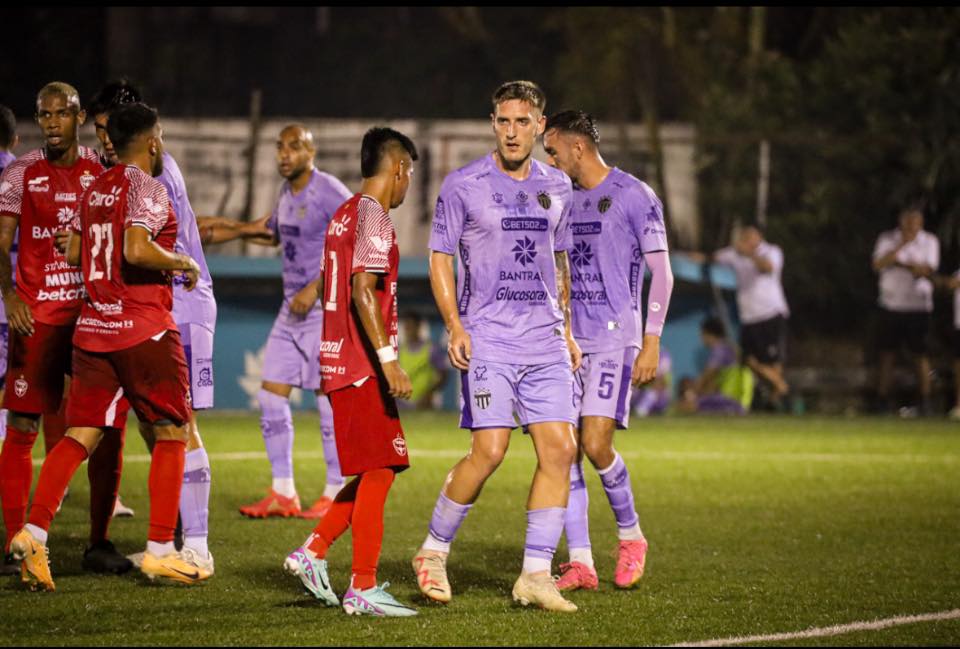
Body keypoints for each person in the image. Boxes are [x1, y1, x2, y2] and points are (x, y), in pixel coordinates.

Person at [10, 101, 209, 590]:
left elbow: (75, 249)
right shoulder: (147, 186)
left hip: (93, 330)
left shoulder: (94, 185)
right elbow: (138, 248)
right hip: (142, 329)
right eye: (159, 136)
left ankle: (33, 533)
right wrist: (181, 263)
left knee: (81, 434)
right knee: (172, 432)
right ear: (152, 141)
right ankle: (162, 548)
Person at [411, 81, 580, 612]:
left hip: (546, 341)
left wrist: (569, 330)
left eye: (522, 122)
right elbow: (440, 256)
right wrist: (455, 325)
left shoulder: (559, 186)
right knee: (490, 451)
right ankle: (433, 552)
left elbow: (560, 262)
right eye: (503, 121)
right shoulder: (464, 185)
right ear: (492, 123)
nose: (512, 131)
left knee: (561, 450)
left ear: (539, 127)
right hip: (489, 339)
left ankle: (534, 574)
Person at [87, 80, 267, 571]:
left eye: (107, 129)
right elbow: (192, 226)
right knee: (158, 428)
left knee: (179, 427)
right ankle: (170, 539)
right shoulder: (136, 173)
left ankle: (197, 547)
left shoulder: (151, 175)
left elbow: (147, 245)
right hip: (157, 310)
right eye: (98, 130)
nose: (102, 140)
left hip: (182, 306)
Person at [282, 127, 418, 617]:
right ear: (399, 169)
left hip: (338, 359)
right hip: (362, 364)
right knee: (381, 470)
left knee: (375, 469)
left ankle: (314, 550)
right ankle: (362, 586)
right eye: (409, 175)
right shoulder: (375, 216)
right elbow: (364, 291)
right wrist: (388, 360)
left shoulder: (343, 213)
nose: (408, 186)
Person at [0, 82, 131, 577]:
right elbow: (2, 240)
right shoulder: (19, 173)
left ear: (79, 118)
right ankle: (15, 543)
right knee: (21, 427)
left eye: (61, 113)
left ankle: (98, 542)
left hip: (93, 318)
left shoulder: (101, 172)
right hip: (35, 319)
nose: (52, 122)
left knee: (106, 430)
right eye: (44, 114)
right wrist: (9, 295)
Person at [540, 110, 674, 592]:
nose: (548, 161)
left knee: (596, 444)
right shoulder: (560, 200)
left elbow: (663, 272)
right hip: (570, 341)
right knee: (564, 452)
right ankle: (581, 562)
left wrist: (652, 338)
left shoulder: (634, 195)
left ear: (577, 148)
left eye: (552, 151)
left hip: (617, 339)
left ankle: (631, 536)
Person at [238, 125, 351, 520]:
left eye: (294, 146)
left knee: (326, 400)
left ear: (311, 150)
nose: (284, 154)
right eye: (280, 147)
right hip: (291, 310)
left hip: (323, 309)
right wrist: (224, 228)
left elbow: (357, 235)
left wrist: (317, 287)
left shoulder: (329, 191)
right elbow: (273, 233)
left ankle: (336, 490)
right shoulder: (287, 193)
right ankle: (283, 491)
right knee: (270, 395)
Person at [871, 204, 939, 416]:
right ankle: (881, 399)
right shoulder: (888, 239)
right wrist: (902, 246)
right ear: (901, 221)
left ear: (921, 222)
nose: (911, 225)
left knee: (919, 354)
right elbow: (878, 264)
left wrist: (900, 264)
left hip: (919, 306)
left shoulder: (929, 241)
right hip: (891, 304)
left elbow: (927, 270)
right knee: (886, 353)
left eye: (915, 221)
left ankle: (925, 399)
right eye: (907, 221)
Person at [712, 225, 790, 407]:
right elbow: (712, 258)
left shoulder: (772, 251)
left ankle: (775, 401)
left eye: (750, 237)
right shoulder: (734, 254)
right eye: (744, 237)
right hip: (748, 317)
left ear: (759, 237)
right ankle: (780, 386)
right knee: (747, 358)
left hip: (771, 313)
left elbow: (768, 268)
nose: (746, 241)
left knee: (773, 361)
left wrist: (749, 254)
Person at [676, 317, 752, 415]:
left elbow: (707, 376)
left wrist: (692, 393)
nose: (701, 338)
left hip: (730, 400)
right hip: (740, 400)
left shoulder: (720, 350)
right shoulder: (731, 348)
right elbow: (713, 382)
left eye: (702, 334)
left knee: (685, 406)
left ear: (707, 334)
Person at [398, 312, 448, 409]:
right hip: (401, 403)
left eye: (411, 327)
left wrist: (429, 394)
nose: (408, 331)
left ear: (418, 327)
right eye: (406, 327)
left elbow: (444, 375)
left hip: (423, 403)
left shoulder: (431, 349)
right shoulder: (399, 351)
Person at [632, 348, 673, 417]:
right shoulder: (636, 351)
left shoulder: (663, 354)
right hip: (639, 390)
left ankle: (640, 413)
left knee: (651, 393)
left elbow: (661, 381)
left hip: (659, 395)